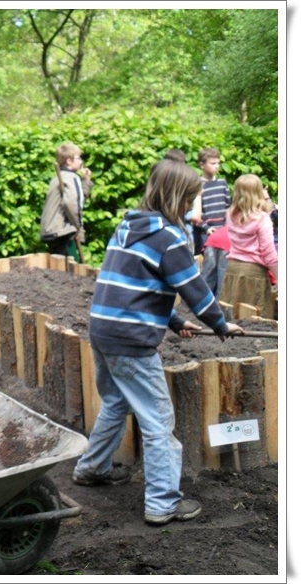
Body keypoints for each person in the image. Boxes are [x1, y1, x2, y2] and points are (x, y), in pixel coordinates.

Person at [72, 159, 243, 526]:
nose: (192, 207)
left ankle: (91, 467)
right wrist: (220, 324)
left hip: (103, 329)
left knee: (116, 401)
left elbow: (135, 288)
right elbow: (194, 289)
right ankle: (163, 502)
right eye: (191, 199)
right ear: (179, 196)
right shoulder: (169, 238)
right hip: (130, 340)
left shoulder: (127, 227)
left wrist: (175, 320)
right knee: (158, 419)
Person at [219, 174, 279, 320]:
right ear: (258, 193)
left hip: (232, 268)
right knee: (255, 319)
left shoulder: (230, 214)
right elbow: (269, 253)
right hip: (253, 273)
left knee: (232, 317)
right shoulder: (262, 219)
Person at [40, 142, 93, 262]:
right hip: (62, 232)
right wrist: (79, 229)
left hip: (50, 230)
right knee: (72, 269)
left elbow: (75, 199)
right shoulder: (71, 177)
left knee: (59, 269)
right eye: (78, 158)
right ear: (69, 161)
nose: (81, 162)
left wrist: (86, 182)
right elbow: (73, 205)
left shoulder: (59, 177)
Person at [190, 147, 231, 295]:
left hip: (224, 232)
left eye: (218, 163)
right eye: (212, 163)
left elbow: (228, 206)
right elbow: (194, 215)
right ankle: (204, 299)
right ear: (202, 165)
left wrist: (228, 226)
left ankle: (220, 299)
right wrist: (206, 228)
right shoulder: (197, 185)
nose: (217, 166)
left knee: (223, 267)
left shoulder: (222, 183)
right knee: (209, 266)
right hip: (206, 233)